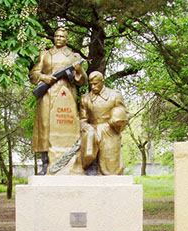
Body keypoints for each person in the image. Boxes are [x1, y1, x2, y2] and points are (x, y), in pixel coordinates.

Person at [29, 28, 87, 175]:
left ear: (66, 39)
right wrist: (43, 78)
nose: (59, 38)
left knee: (68, 129)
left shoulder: (74, 56)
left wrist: (79, 70)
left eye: (62, 36)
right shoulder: (45, 55)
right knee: (45, 128)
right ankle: (45, 164)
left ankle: (71, 161)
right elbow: (34, 73)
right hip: (48, 95)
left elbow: (82, 82)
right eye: (56, 35)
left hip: (66, 95)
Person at [79, 71, 128, 175]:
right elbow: (82, 119)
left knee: (112, 170)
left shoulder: (115, 95)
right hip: (92, 130)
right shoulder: (85, 98)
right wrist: (86, 127)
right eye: (91, 84)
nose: (93, 87)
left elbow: (125, 113)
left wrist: (118, 119)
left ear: (102, 82)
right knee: (89, 142)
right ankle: (91, 166)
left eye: (95, 83)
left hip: (109, 131)